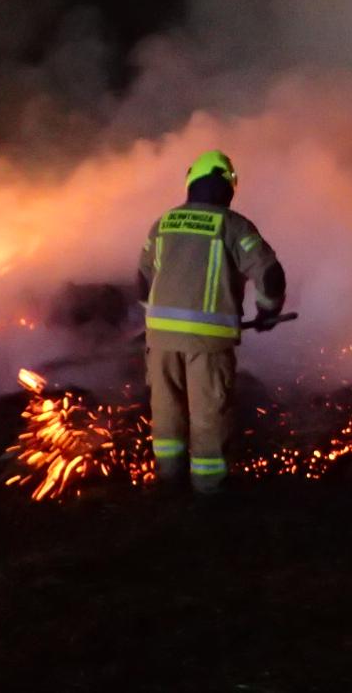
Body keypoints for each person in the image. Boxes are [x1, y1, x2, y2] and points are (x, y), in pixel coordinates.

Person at [138, 149, 286, 493]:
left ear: (192, 182)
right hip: (207, 345)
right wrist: (267, 312)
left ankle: (168, 486)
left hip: (159, 341)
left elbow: (143, 280)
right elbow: (270, 275)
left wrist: (159, 317)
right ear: (227, 186)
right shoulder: (232, 226)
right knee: (208, 418)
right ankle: (209, 495)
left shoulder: (164, 223)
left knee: (167, 415)